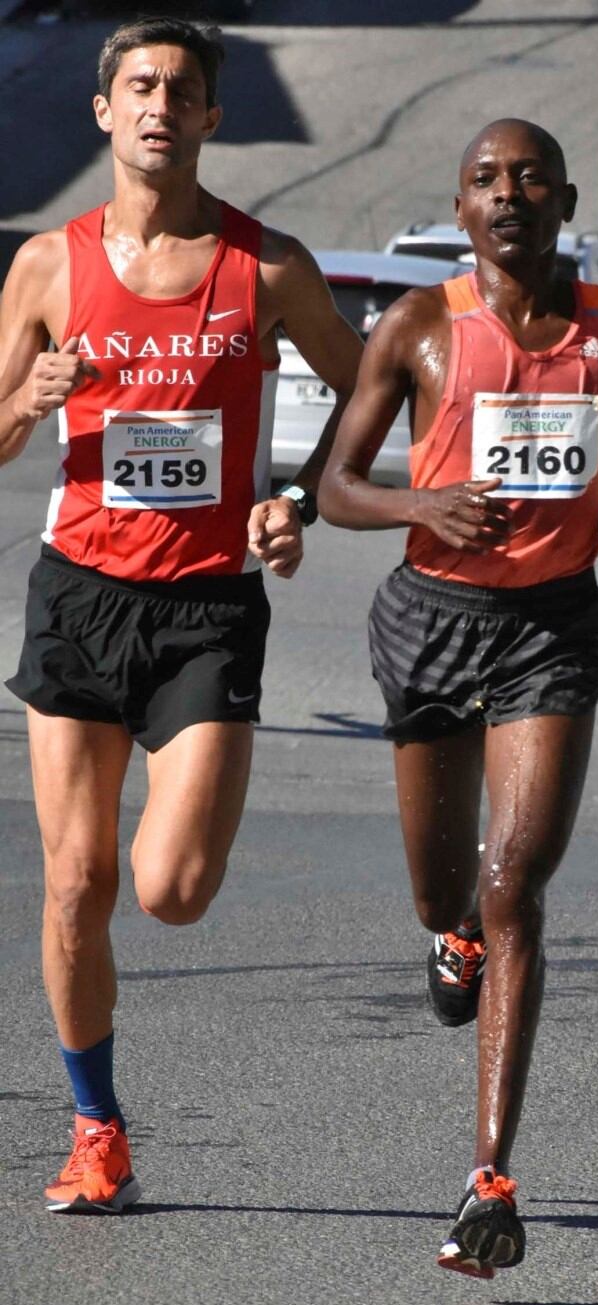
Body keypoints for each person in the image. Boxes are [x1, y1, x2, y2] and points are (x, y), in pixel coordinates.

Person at [0, 16, 361, 1213]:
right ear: (103, 112)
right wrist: (27, 397)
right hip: (80, 596)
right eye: (140, 86)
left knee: (172, 887)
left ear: (213, 117)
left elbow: (372, 393)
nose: (160, 104)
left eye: (184, 90)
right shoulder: (50, 266)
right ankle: (96, 1125)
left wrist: (298, 496)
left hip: (207, 608)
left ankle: (102, 1103)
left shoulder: (266, 267)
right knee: (74, 880)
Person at [319, 118, 598, 1279]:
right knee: (445, 885)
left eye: (527, 178)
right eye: (484, 180)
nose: (507, 194)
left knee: (517, 882)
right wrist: (424, 507)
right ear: (460, 209)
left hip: (552, 631)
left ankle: (489, 1182)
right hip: (431, 622)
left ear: (563, 198)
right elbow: (338, 484)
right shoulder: (418, 326)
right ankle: (450, 931)